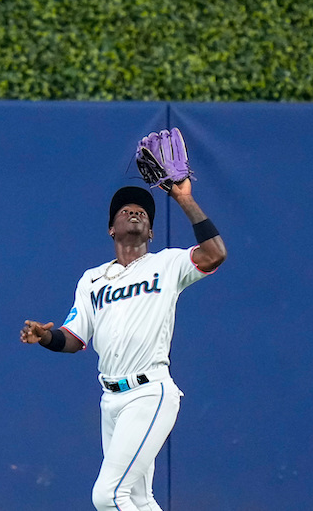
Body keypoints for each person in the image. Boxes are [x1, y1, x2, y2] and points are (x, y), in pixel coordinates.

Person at [20, 179, 226, 511]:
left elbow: (215, 253)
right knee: (139, 500)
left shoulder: (167, 264)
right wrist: (46, 337)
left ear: (151, 233)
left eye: (142, 211)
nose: (134, 211)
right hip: (111, 401)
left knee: (108, 496)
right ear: (111, 230)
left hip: (149, 392)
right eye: (125, 210)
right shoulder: (92, 279)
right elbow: (74, 338)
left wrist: (185, 199)